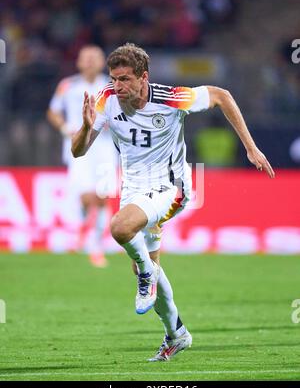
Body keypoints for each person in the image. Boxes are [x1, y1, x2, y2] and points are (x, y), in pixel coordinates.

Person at [71, 43, 275, 361]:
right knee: (149, 262)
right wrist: (85, 127)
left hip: (172, 189)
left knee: (120, 228)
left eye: (124, 79)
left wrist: (250, 147)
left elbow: (222, 95)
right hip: (134, 191)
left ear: (144, 77)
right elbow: (77, 152)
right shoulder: (106, 100)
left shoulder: (171, 97)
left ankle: (145, 275)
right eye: (113, 79)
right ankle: (176, 333)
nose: (117, 86)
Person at [47, 45, 118, 267]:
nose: (89, 62)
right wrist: (65, 128)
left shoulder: (112, 87)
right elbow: (53, 111)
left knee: (103, 197)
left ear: (101, 62)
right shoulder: (67, 85)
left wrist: (112, 124)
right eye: (85, 58)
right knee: (88, 197)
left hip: (105, 147)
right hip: (79, 147)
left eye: (94, 58)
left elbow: (123, 114)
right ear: (78, 62)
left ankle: (95, 243)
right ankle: (89, 238)